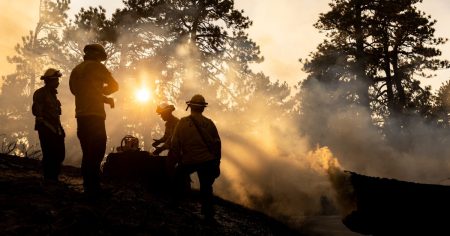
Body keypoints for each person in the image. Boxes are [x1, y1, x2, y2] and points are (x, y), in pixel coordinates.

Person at [69, 43, 118, 196]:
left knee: (87, 152)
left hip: (81, 116)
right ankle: (94, 188)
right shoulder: (97, 67)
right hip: (95, 116)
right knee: (97, 151)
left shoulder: (76, 70)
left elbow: (77, 92)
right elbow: (114, 86)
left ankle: (88, 186)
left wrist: (100, 96)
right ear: (97, 55)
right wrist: (103, 92)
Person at [171, 94, 221, 222]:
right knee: (206, 188)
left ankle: (174, 205)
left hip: (189, 161)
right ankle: (208, 214)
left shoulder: (182, 123)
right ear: (203, 108)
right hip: (207, 161)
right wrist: (217, 163)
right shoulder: (209, 124)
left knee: (177, 178)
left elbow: (175, 144)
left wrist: (175, 161)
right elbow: (217, 144)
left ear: (190, 106)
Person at [32, 68, 65, 182]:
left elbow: (55, 114)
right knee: (49, 153)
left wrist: (59, 129)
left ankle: (53, 177)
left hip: (55, 128)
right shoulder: (40, 93)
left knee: (60, 153)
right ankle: (49, 178)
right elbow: (37, 111)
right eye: (56, 80)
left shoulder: (53, 95)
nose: (58, 82)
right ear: (50, 80)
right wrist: (44, 124)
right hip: (46, 128)